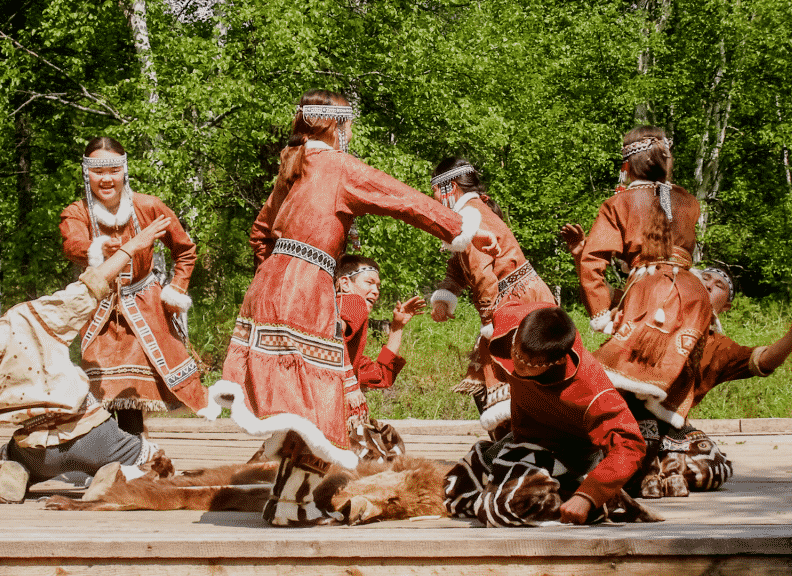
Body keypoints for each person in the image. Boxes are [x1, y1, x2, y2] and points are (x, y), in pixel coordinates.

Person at [200, 89, 500, 526]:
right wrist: (465, 230)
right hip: (305, 286)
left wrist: (278, 271)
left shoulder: (293, 167)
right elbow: (404, 200)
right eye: (349, 125)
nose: (351, 133)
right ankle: (294, 508)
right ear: (337, 125)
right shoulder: (336, 166)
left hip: (270, 285)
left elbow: (261, 231)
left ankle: (285, 500)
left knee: (295, 400)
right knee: (320, 401)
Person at [0, 218, 173, 504]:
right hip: (93, 436)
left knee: (5, 455)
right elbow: (89, 287)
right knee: (156, 463)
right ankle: (117, 475)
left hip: (37, 454)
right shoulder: (24, 319)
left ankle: (14, 471)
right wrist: (132, 247)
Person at [442, 302, 659, 526]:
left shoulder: (591, 388)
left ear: (557, 361)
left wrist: (587, 496)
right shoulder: (512, 322)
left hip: (571, 455)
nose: (518, 364)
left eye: (530, 364)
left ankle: (593, 499)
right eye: (517, 354)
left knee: (501, 508)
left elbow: (631, 444)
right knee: (455, 490)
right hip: (522, 439)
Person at [59, 137, 207, 437]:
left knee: (131, 398)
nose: (106, 179)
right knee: (102, 393)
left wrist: (176, 287)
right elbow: (72, 244)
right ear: (86, 173)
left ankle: (133, 459)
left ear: (124, 171)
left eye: (113, 170)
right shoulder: (77, 212)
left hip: (144, 309)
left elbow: (185, 248)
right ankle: (115, 458)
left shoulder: (148, 206)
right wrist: (97, 246)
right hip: (99, 312)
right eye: (98, 172)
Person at [646, 268, 792, 495]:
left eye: (719, 286)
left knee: (714, 468)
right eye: (703, 278)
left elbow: (763, 361)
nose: (708, 285)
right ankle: (640, 468)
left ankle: (645, 471)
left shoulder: (719, 347)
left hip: (672, 431)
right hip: (624, 419)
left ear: (725, 306)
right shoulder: (653, 316)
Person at [578, 127, 712, 430]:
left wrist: (601, 312)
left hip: (650, 292)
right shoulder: (688, 201)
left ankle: (623, 448)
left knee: (616, 375)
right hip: (693, 293)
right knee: (672, 373)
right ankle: (667, 447)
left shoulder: (619, 203)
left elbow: (592, 261)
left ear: (628, 165)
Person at [427, 158, 556, 441]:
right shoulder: (471, 214)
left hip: (518, 304)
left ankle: (521, 444)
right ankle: (519, 442)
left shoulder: (473, 215)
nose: (433, 197)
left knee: (507, 374)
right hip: (516, 301)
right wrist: (445, 296)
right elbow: (459, 267)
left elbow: (483, 274)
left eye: (435, 189)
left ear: (450, 187)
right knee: (492, 373)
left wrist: (490, 323)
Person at [335, 254, 425, 461]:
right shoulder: (351, 302)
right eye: (369, 282)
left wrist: (397, 327)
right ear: (345, 283)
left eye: (378, 286)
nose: (375, 291)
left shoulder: (349, 357)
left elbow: (380, 374)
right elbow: (334, 330)